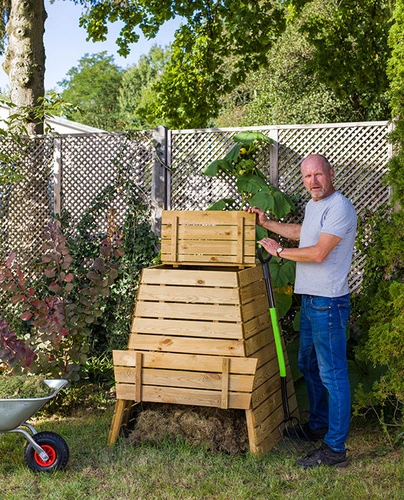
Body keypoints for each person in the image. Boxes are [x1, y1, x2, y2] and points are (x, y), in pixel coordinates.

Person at [247, 153, 357, 468]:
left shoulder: (340, 208)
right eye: (308, 176)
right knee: (308, 365)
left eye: (319, 175)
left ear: (331, 173)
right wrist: (268, 224)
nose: (314, 181)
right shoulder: (314, 206)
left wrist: (279, 251)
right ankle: (318, 425)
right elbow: (303, 232)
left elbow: (320, 251)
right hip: (309, 300)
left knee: (333, 374)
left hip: (329, 302)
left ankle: (335, 449)